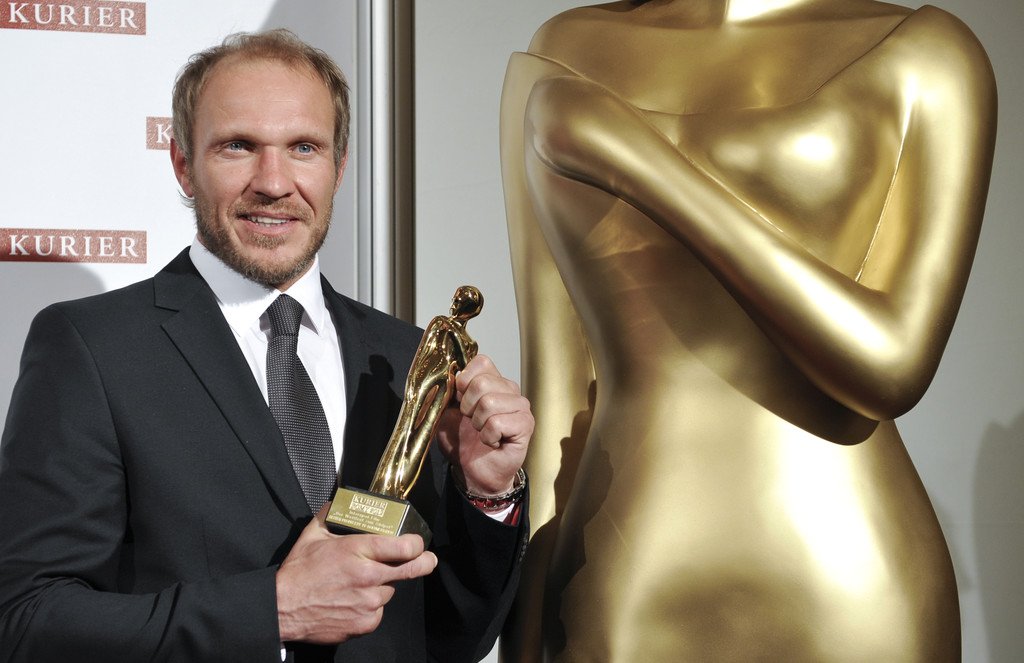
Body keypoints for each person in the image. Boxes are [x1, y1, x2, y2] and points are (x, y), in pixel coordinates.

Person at [0, 30, 533, 662]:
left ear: (338, 167)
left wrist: (487, 495)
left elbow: (449, 637)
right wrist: (273, 611)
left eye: (303, 147)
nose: (274, 182)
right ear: (183, 164)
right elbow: (26, 622)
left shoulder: (407, 359)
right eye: (238, 146)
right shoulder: (93, 348)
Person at [499, 0, 995, 661]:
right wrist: (523, 638)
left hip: (846, 574)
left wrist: (639, 163)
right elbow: (554, 393)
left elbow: (894, 368)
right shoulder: (563, 50)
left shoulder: (925, 53)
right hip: (624, 567)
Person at [371, 285, 484, 499]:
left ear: (470, 309)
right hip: (425, 378)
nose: (454, 304)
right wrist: (413, 383)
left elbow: (464, 364)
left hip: (444, 387)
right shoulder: (440, 323)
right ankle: (383, 487)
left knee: (421, 439)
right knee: (405, 430)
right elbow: (423, 353)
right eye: (455, 299)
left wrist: (455, 334)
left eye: (460, 301)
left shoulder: (468, 341)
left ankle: (398, 491)